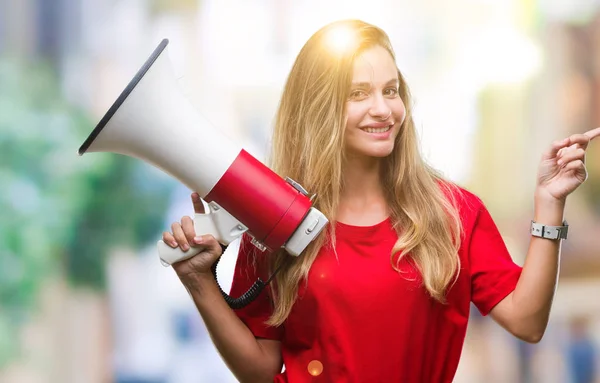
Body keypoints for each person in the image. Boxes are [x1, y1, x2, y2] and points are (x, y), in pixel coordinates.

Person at [162, 19, 600, 383]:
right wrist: (200, 283)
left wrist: (549, 203)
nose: (383, 109)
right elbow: (260, 370)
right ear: (319, 108)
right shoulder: (274, 218)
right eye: (358, 94)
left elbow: (527, 321)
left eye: (390, 90)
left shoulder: (452, 213)